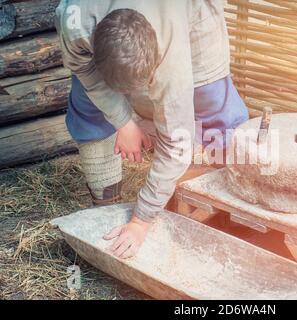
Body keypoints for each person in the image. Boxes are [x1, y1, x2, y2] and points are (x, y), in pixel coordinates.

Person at [55, 0, 249, 259]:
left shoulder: (172, 58)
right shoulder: (76, 22)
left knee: (212, 105)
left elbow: (177, 143)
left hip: (187, 14)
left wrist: (141, 220)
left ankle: (230, 211)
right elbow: (83, 68)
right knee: (88, 100)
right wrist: (123, 121)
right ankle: (104, 203)